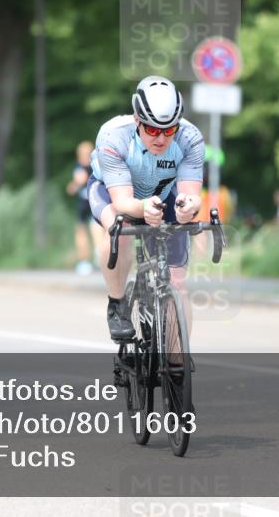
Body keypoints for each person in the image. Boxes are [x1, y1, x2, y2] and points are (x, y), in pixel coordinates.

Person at [86, 75, 204, 341]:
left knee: (177, 281)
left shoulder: (190, 137)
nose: (161, 138)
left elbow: (191, 195)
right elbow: (123, 202)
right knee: (119, 230)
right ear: (137, 119)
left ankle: (177, 360)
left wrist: (189, 207)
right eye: (152, 129)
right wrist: (142, 209)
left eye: (169, 130)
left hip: (162, 195)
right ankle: (117, 304)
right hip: (112, 192)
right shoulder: (114, 135)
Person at [66, 141, 98, 275]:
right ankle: (98, 255)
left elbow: (80, 179)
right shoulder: (97, 165)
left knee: (82, 231)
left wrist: (72, 186)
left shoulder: (80, 166)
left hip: (85, 203)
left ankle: (85, 262)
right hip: (96, 201)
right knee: (96, 229)